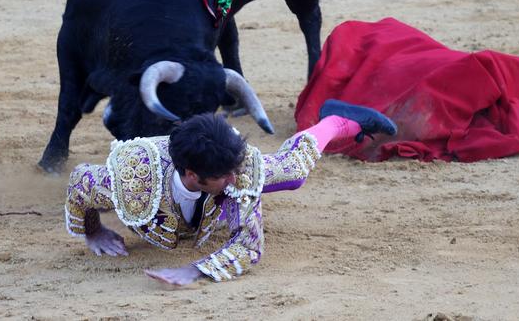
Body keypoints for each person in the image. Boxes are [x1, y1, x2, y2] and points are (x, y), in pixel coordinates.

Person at [64, 99, 397, 286]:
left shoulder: (237, 170)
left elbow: (249, 244)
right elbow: (80, 182)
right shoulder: (134, 179)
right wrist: (94, 231)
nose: (239, 178)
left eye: (237, 169)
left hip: (209, 157)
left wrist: (194, 270)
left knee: (293, 171)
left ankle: (337, 121)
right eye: (227, 175)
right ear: (193, 175)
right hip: (171, 172)